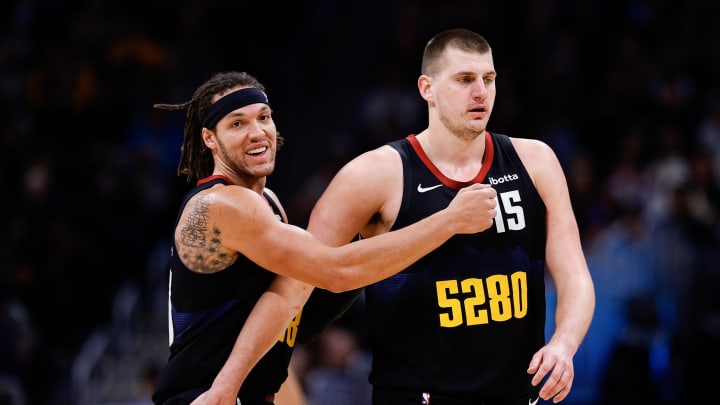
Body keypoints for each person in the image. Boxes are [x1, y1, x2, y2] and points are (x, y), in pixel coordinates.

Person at [149, 70, 498, 405]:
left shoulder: (267, 203)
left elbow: (293, 314)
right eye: (237, 123)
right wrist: (449, 221)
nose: (257, 132)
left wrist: (367, 240)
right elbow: (335, 271)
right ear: (210, 138)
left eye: (264, 117)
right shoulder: (222, 204)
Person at [304, 28, 596, 404]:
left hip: (515, 394)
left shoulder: (536, 161)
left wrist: (564, 344)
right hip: (416, 395)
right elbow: (306, 276)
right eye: (464, 80)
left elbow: (575, 275)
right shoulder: (373, 174)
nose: (481, 92)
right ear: (427, 88)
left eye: (488, 80)